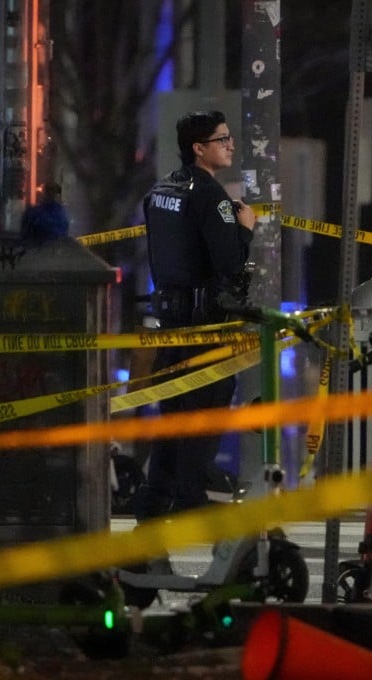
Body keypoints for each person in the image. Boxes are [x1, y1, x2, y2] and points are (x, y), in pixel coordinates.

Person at [132, 110, 256, 522]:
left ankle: (153, 502)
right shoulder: (211, 197)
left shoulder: (159, 191)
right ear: (199, 148)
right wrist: (245, 230)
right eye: (222, 139)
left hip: (170, 323)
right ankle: (192, 501)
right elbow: (230, 266)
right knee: (206, 411)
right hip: (206, 326)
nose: (231, 144)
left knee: (173, 417)